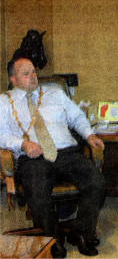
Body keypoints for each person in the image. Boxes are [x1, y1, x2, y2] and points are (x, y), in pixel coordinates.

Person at [0, 57, 106, 258]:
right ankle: (52, 239)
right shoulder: (4, 102)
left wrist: (89, 135)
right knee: (37, 188)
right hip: (33, 158)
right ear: (13, 79)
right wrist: (22, 144)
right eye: (26, 73)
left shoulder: (55, 93)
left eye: (33, 72)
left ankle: (81, 233)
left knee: (96, 182)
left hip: (67, 153)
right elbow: (1, 134)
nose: (33, 77)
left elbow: (77, 117)